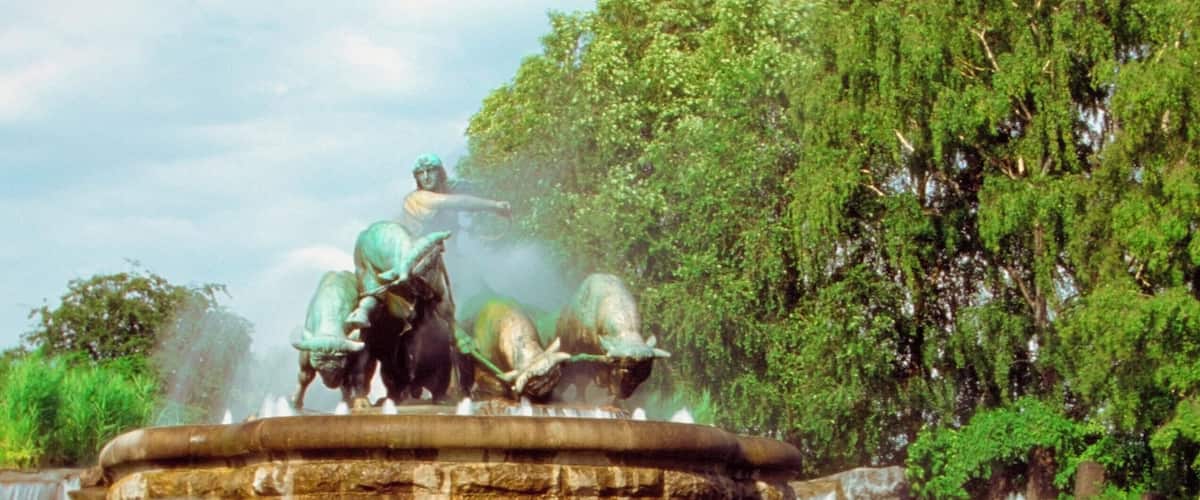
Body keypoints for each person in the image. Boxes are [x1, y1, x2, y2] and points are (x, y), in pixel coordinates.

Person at [400, 153, 511, 236]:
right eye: (420, 173)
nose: (426, 177)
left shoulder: (449, 189)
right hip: (420, 260)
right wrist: (494, 205)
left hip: (445, 255)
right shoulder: (418, 198)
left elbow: (476, 189)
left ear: (440, 173)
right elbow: (461, 202)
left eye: (430, 170)